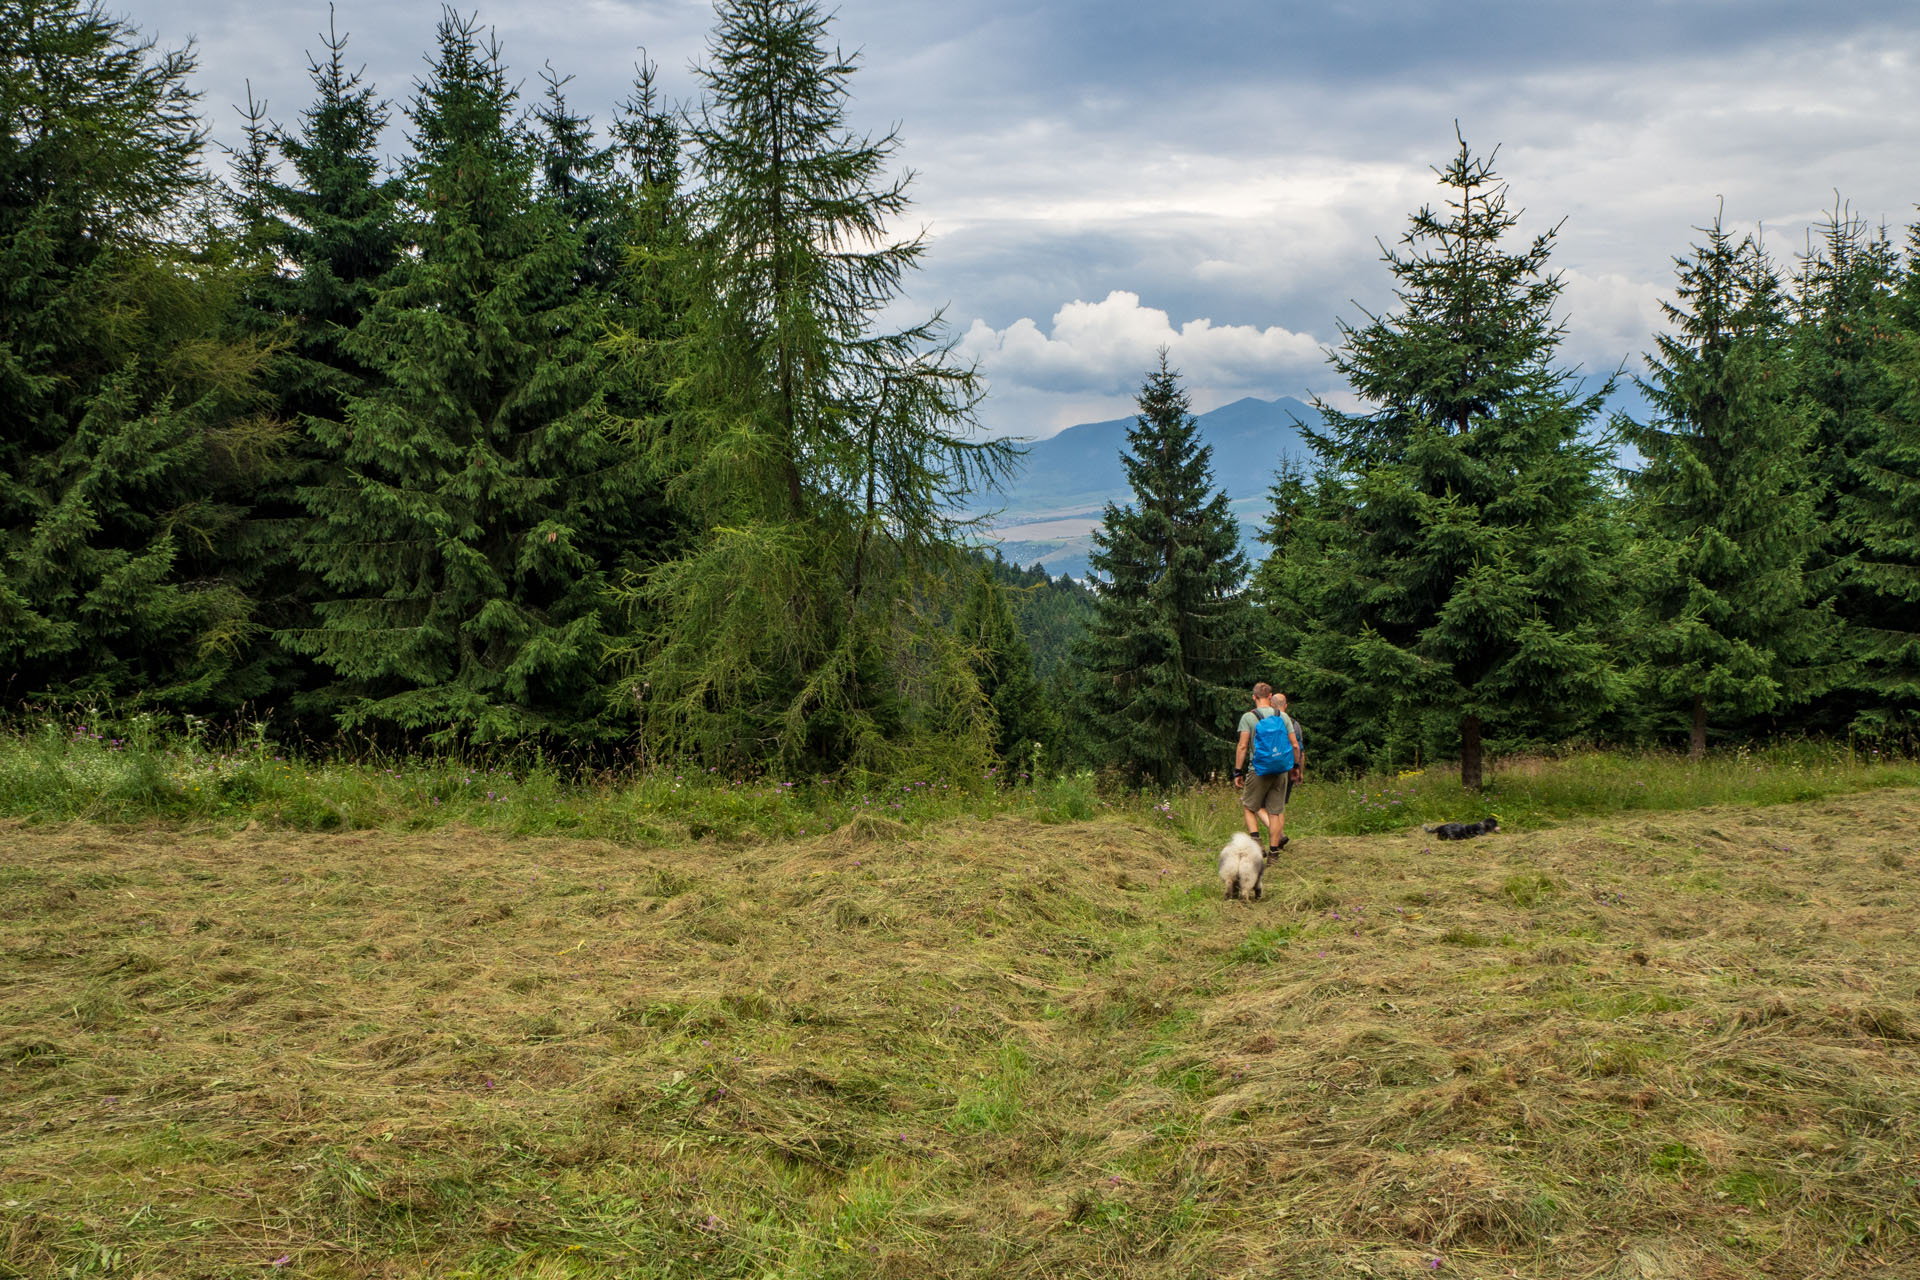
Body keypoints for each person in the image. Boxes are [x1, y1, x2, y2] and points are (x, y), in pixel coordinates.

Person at [1231, 682, 1299, 858]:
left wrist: (1237, 771)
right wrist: (1296, 767)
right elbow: (1294, 745)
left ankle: (1256, 843)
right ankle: (1274, 853)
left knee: (1248, 806)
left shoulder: (1248, 717)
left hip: (1258, 769)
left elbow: (1242, 746)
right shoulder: (1282, 717)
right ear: (1270, 697)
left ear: (1253, 697)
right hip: (1281, 769)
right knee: (1275, 812)